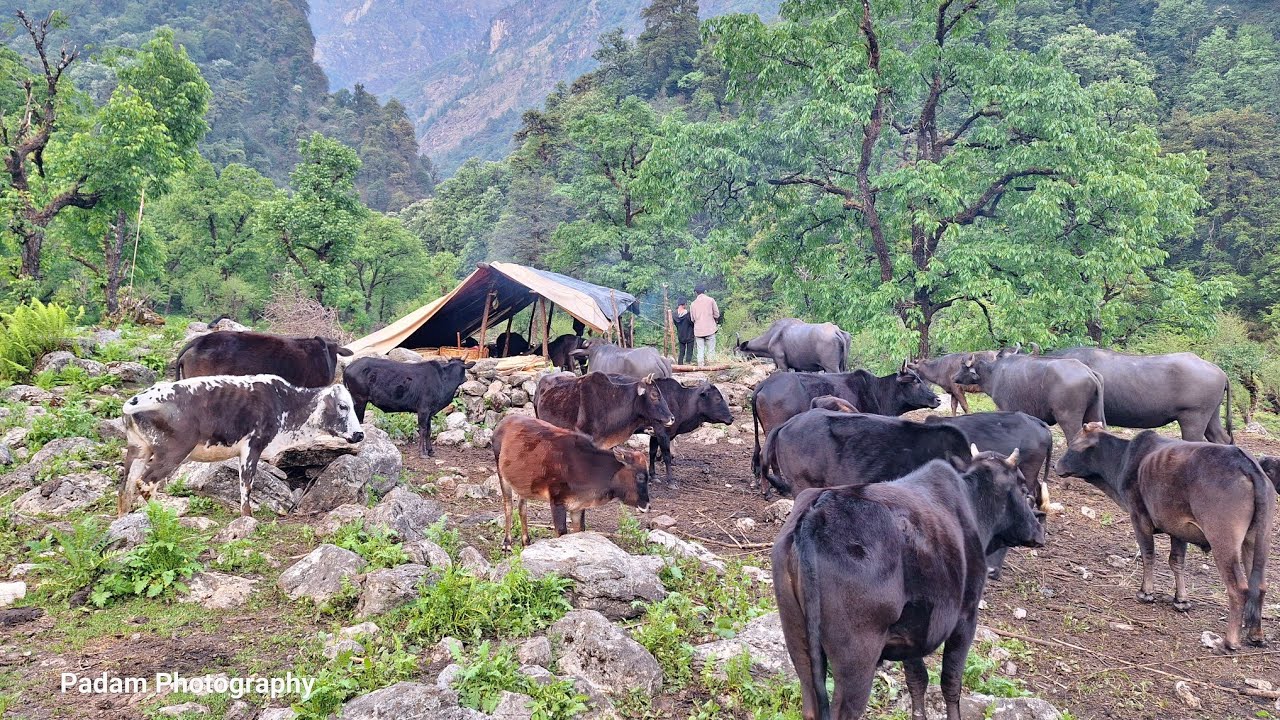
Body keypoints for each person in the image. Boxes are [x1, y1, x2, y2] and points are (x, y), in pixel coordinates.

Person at [689, 284, 720, 366]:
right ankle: (711, 368)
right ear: (705, 291)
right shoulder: (711, 300)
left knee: (700, 350)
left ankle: (700, 368)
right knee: (711, 350)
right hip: (710, 329)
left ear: (696, 292)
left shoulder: (692, 304)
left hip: (698, 331)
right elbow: (717, 314)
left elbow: (692, 319)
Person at [672, 299, 695, 365]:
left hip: (680, 334)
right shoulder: (688, 314)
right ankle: (688, 363)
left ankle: (680, 364)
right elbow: (692, 323)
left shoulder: (674, 314)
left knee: (681, 351)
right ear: (684, 304)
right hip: (689, 334)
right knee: (689, 350)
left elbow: (675, 324)